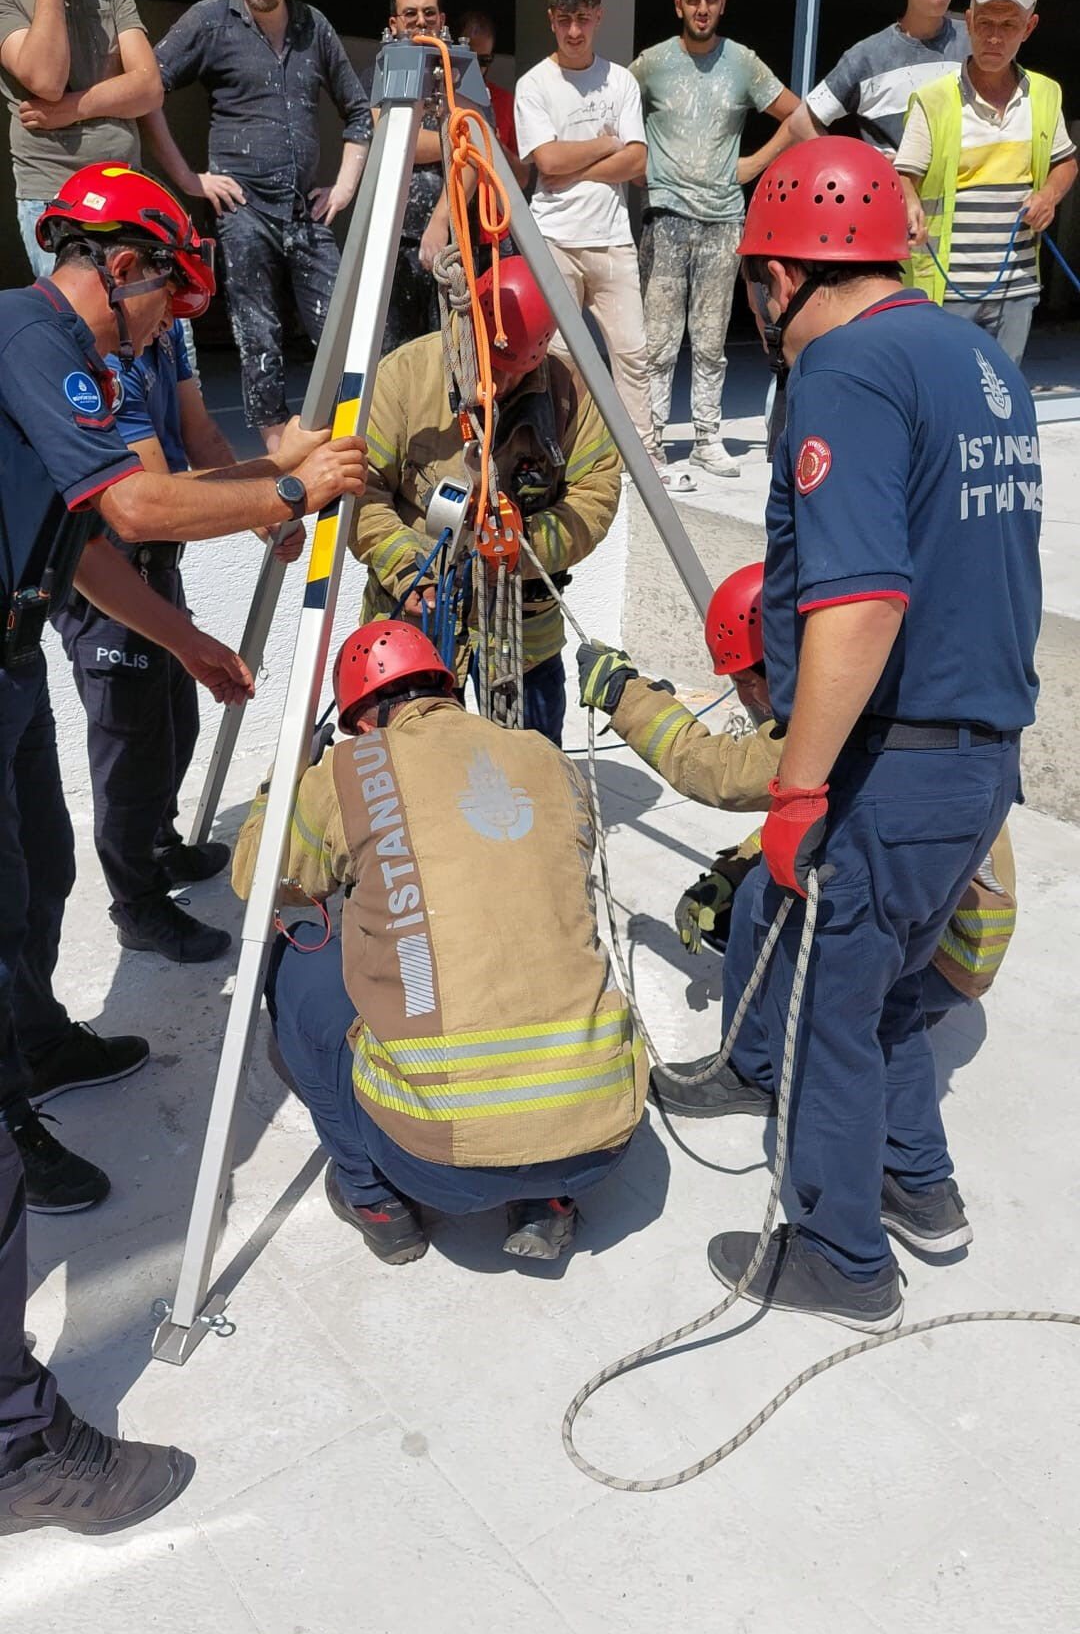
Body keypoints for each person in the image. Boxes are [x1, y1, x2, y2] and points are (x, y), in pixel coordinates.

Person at [0, 162, 367, 1535]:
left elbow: (87, 543)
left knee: (35, 875)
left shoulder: (61, 363)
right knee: (5, 894)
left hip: (9, 658)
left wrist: (199, 644)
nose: (166, 328)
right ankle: (10, 1109)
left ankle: (36, 1044)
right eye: (165, 298)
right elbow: (147, 509)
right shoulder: (35, 337)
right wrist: (288, 484)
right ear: (124, 267)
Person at [700, 136, 1040, 1331]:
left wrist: (796, 796)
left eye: (754, 286)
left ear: (785, 273)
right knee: (893, 992)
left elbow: (864, 597)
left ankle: (842, 1258)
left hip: (893, 764)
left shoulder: (842, 367)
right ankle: (918, 1185)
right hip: (981, 758)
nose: (758, 315)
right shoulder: (973, 357)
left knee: (831, 1007)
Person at [232, 621, 645, 1265]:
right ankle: (549, 1201)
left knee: (296, 955)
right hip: (603, 1143)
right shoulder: (545, 755)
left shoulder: (350, 767)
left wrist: (278, 788)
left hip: (442, 1166)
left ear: (363, 719)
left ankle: (374, 1198)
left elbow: (256, 878)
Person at [577, 560, 1019, 1117]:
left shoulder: (841, 717)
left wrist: (625, 697)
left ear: (786, 660)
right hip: (937, 941)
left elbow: (712, 770)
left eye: (745, 680)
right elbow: (820, 814)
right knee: (757, 880)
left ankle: (749, 1072)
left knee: (765, 897)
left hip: (931, 967)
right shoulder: (893, 684)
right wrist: (731, 868)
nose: (743, 698)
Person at [54, 312, 306, 966]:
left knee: (176, 723)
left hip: (158, 572)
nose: (178, 305)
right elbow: (153, 493)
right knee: (130, 756)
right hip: (111, 583)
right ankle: (136, 906)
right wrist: (281, 484)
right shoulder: (103, 355)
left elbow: (202, 437)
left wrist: (266, 515)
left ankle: (160, 846)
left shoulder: (168, 335)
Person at [351, 257, 621, 747]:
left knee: (531, 779)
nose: (491, 387)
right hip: (414, 634)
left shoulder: (569, 394)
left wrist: (527, 542)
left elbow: (596, 493)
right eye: (486, 365)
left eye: (510, 374)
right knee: (413, 782)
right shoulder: (405, 378)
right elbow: (357, 490)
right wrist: (405, 563)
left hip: (523, 639)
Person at [144, 0, 371, 451]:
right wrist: (189, 179)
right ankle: (276, 449)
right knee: (259, 335)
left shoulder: (314, 27)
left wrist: (342, 189)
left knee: (341, 326)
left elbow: (360, 114)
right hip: (242, 210)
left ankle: (355, 442)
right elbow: (146, 88)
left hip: (303, 210)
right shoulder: (209, 19)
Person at [630, 0, 798, 478]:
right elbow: (613, 110)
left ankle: (707, 437)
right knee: (657, 339)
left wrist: (753, 164)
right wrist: (639, 167)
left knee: (710, 337)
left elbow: (796, 114)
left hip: (724, 218)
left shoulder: (743, 62)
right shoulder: (651, 64)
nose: (702, 9)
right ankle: (651, 441)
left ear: (723, 3)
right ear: (678, 4)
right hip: (666, 217)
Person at [514, 0, 672, 488]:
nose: (574, 31)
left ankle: (644, 456)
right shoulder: (534, 84)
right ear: (551, 21)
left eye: (584, 19)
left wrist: (573, 164)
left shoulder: (621, 81)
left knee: (633, 352)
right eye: (565, 20)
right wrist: (606, 144)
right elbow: (546, 160)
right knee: (557, 357)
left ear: (599, 16)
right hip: (552, 238)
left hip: (611, 241)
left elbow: (637, 162)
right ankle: (567, 456)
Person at [895, 0, 1077, 366]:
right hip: (945, 287)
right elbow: (904, 175)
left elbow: (1066, 163)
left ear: (1029, 28)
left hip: (1017, 287)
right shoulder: (935, 99)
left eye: (1009, 25)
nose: (994, 37)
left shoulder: (1046, 95)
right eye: (986, 23)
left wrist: (1049, 195)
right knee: (945, 394)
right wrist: (908, 204)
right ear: (970, 22)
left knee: (1002, 396)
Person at [0, 0, 162, 276]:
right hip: (57, 198)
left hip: (127, 189)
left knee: (161, 333)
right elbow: (46, 78)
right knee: (89, 333)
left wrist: (70, 109)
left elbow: (148, 85)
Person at [776, 0, 970, 160]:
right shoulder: (867, 56)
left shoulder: (974, 40)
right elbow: (801, 121)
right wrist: (856, 170)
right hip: (894, 197)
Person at [363, 0, 449, 354]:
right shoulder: (378, 75)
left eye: (429, 13)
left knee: (450, 359)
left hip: (449, 244)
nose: (420, 20)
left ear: (442, 20)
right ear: (393, 24)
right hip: (392, 245)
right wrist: (454, 139)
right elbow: (397, 141)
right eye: (409, 13)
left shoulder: (460, 78)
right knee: (390, 358)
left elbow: (475, 159)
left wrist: (441, 222)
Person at [456, 8, 528, 188]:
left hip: (491, 213)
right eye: (470, 58)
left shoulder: (505, 101)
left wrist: (493, 143)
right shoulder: (437, 98)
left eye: (484, 60)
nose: (477, 67)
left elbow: (522, 178)